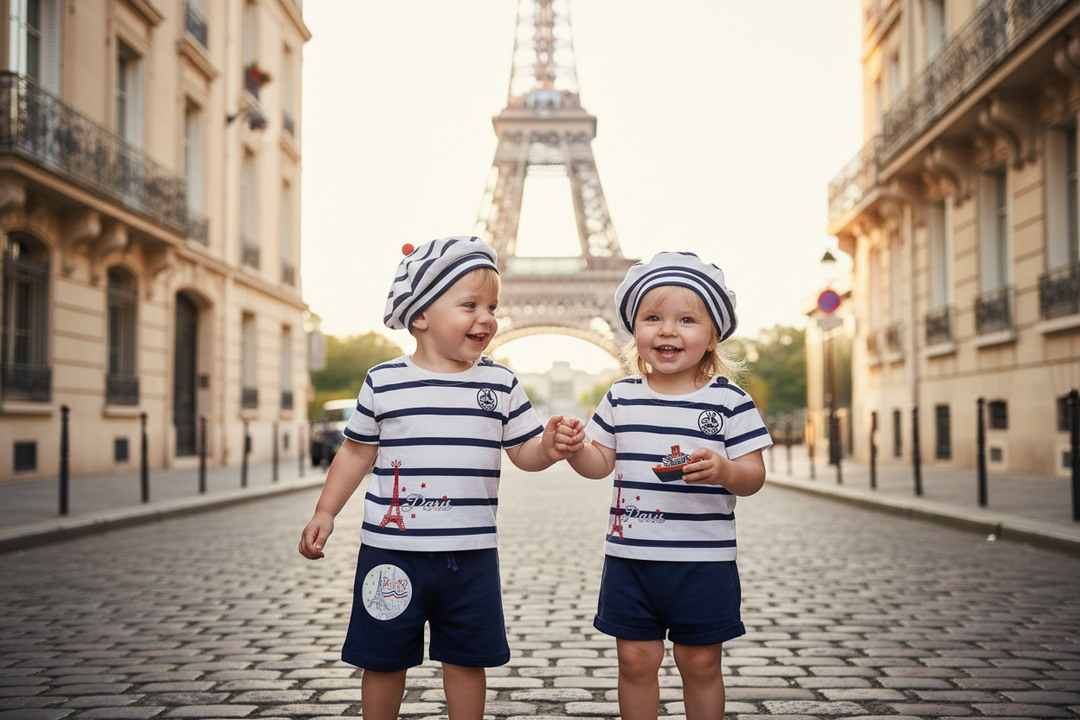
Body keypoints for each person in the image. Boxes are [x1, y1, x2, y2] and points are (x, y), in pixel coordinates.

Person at [299, 236, 580, 720]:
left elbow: (523, 453)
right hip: (390, 552)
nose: (487, 317)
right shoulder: (383, 381)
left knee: (468, 660)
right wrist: (326, 511)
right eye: (469, 304)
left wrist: (550, 448)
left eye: (492, 306)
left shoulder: (501, 383)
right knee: (382, 659)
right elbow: (355, 451)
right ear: (420, 315)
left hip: (470, 556)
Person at [556, 251, 772, 720]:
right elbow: (600, 465)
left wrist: (724, 470)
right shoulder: (621, 395)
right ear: (634, 330)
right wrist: (576, 450)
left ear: (713, 335)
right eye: (652, 317)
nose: (667, 330)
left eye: (687, 319)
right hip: (631, 559)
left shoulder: (730, 401)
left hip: (703, 562)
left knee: (700, 663)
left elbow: (753, 475)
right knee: (634, 660)